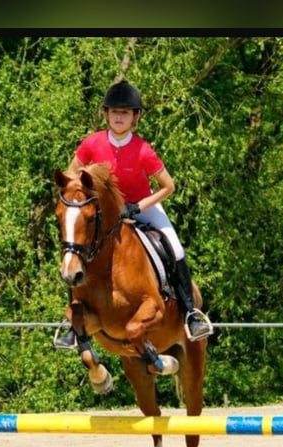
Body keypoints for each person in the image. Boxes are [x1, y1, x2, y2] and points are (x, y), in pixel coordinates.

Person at [54, 79, 213, 349]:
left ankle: (191, 314)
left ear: (134, 117)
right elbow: (71, 177)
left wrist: (138, 207)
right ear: (106, 114)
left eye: (125, 113)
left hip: (143, 207)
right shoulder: (91, 143)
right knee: (77, 250)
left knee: (174, 247)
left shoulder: (142, 149)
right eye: (114, 112)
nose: (118, 117)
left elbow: (169, 186)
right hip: (105, 215)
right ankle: (73, 322)